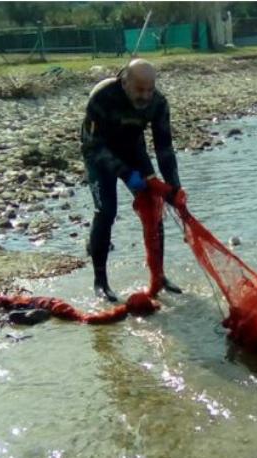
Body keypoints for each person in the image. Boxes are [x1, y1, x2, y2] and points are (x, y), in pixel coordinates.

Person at [80, 59, 184, 302]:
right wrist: (125, 173)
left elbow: (164, 149)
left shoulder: (158, 103)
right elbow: (93, 144)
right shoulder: (102, 96)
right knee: (106, 211)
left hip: (132, 149)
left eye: (150, 89)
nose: (145, 96)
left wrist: (173, 187)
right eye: (139, 89)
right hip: (98, 151)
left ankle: (159, 275)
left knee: (154, 210)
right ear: (124, 82)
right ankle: (101, 281)